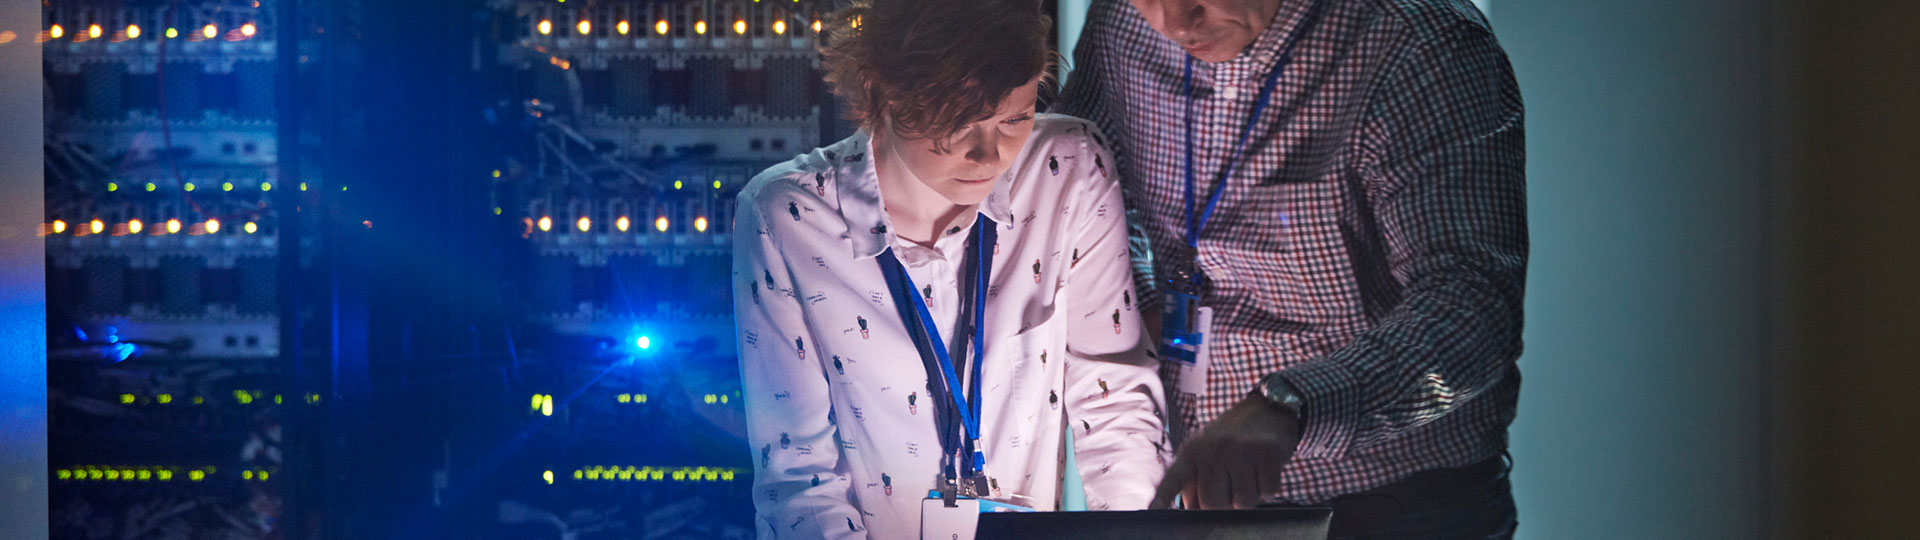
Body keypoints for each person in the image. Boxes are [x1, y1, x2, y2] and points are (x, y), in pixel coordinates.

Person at [1054, 0, 1526, 537]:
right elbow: (1086, 180)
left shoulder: (1417, 40)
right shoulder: (1123, 22)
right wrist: (1143, 300)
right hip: (1212, 502)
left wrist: (1292, 405)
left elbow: (1474, 307)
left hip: (1403, 503)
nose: (1174, 22)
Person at [731, 0, 1169, 538]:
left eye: (1014, 119)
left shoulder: (1067, 169)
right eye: (956, 123)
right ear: (880, 92)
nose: (988, 155)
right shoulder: (789, 218)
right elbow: (800, 475)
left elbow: (1116, 403)